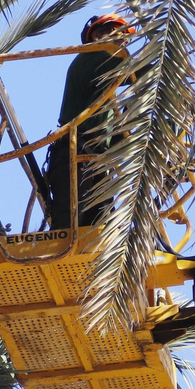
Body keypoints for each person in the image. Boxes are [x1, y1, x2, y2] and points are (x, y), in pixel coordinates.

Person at [47, 13, 134, 229]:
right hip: (73, 153)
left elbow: (117, 140)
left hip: (95, 160)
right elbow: (135, 71)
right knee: (69, 226)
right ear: (97, 36)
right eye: (118, 34)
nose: (123, 43)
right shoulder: (91, 57)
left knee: (101, 229)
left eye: (125, 38)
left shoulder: (108, 97)